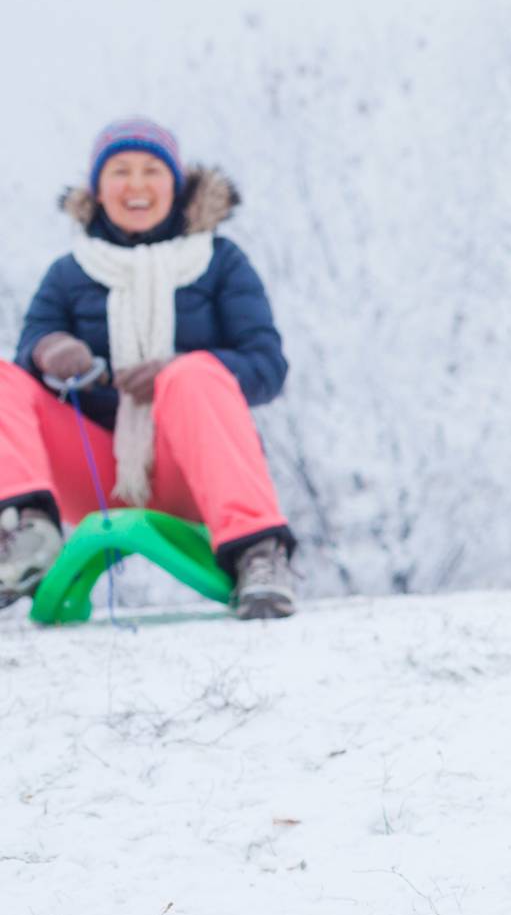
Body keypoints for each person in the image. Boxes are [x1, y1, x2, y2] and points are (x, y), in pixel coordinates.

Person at [0, 117, 297, 618]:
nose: (135, 185)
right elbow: (25, 367)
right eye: (120, 171)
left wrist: (173, 370)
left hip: (194, 469)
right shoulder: (69, 273)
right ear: (98, 189)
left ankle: (258, 554)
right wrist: (48, 351)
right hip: (94, 471)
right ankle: (29, 532)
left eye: (150, 171)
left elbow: (267, 366)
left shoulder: (221, 263)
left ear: (176, 187)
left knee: (191, 374)